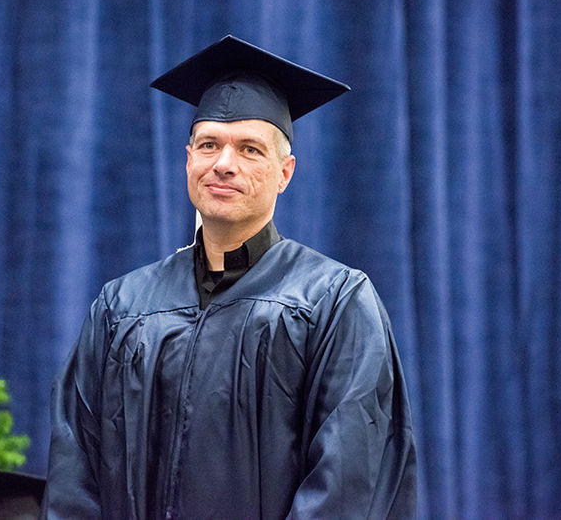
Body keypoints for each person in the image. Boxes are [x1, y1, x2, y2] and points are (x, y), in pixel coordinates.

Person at [42, 35, 416, 519]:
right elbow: (76, 475)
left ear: (285, 173)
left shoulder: (334, 301)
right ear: (188, 159)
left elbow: (347, 485)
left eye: (250, 149)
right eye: (209, 144)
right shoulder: (123, 305)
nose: (223, 163)